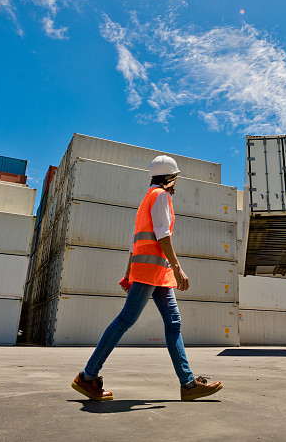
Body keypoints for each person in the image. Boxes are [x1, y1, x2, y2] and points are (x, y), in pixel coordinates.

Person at [72, 155, 223, 402]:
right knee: (125, 320)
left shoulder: (146, 199)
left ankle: (188, 383)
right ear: (171, 177)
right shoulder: (161, 196)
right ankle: (87, 376)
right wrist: (177, 267)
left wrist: (127, 271)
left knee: (173, 322)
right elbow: (163, 235)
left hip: (151, 272)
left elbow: (135, 239)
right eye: (176, 178)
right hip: (153, 272)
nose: (176, 183)